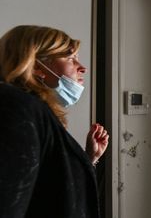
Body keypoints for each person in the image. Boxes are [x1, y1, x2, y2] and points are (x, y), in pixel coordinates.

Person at [0, 25, 109, 217]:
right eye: (70, 58)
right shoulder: (16, 107)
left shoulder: (34, 111)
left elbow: (49, 189)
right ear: (36, 66)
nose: (82, 67)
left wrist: (88, 158)